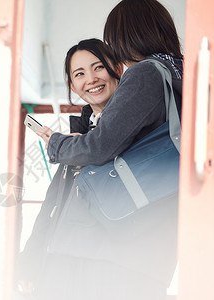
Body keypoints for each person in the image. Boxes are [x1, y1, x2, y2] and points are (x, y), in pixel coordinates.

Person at [35, 0, 183, 299]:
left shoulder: (146, 73)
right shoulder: (182, 73)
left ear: (125, 36)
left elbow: (99, 146)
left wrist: (56, 143)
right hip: (154, 241)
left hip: (109, 244)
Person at [15, 38, 121, 300]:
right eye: (80, 74)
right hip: (60, 263)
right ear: (72, 86)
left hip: (105, 267)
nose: (92, 79)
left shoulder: (130, 126)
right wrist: (30, 260)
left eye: (98, 67)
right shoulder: (78, 135)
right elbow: (53, 204)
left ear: (116, 67)